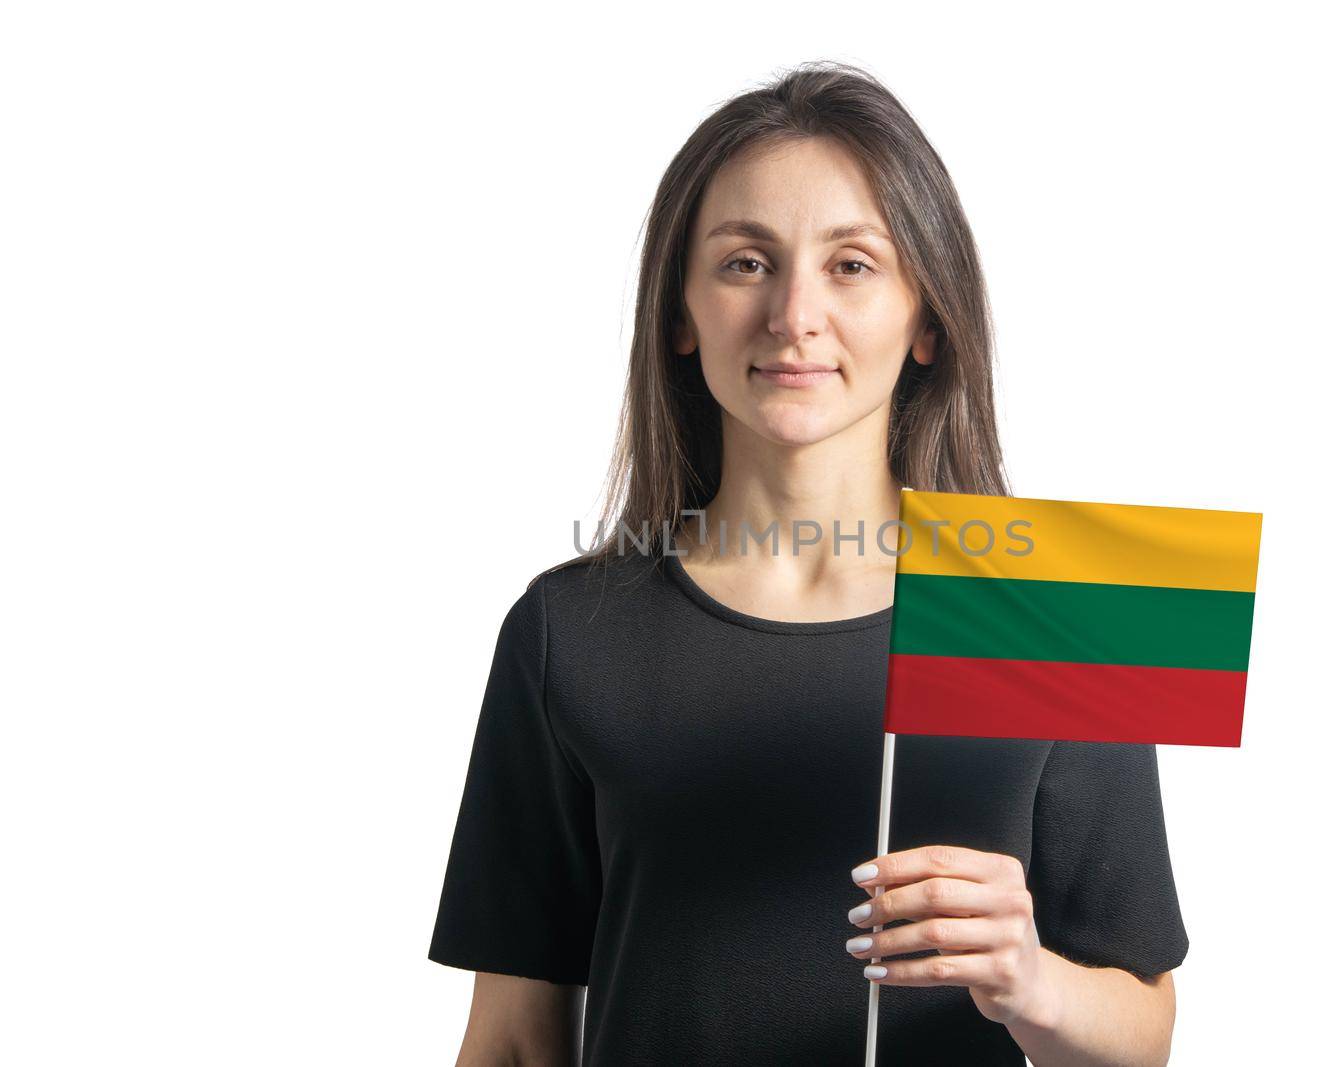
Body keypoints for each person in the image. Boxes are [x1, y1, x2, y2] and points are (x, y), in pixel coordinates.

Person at [428, 61, 1188, 1066]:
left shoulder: (1058, 611)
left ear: (926, 318)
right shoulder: (570, 631)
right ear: (679, 313)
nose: (793, 314)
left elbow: (1143, 1036)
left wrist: (1029, 979)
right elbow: (516, 1039)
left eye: (852, 264)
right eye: (746, 262)